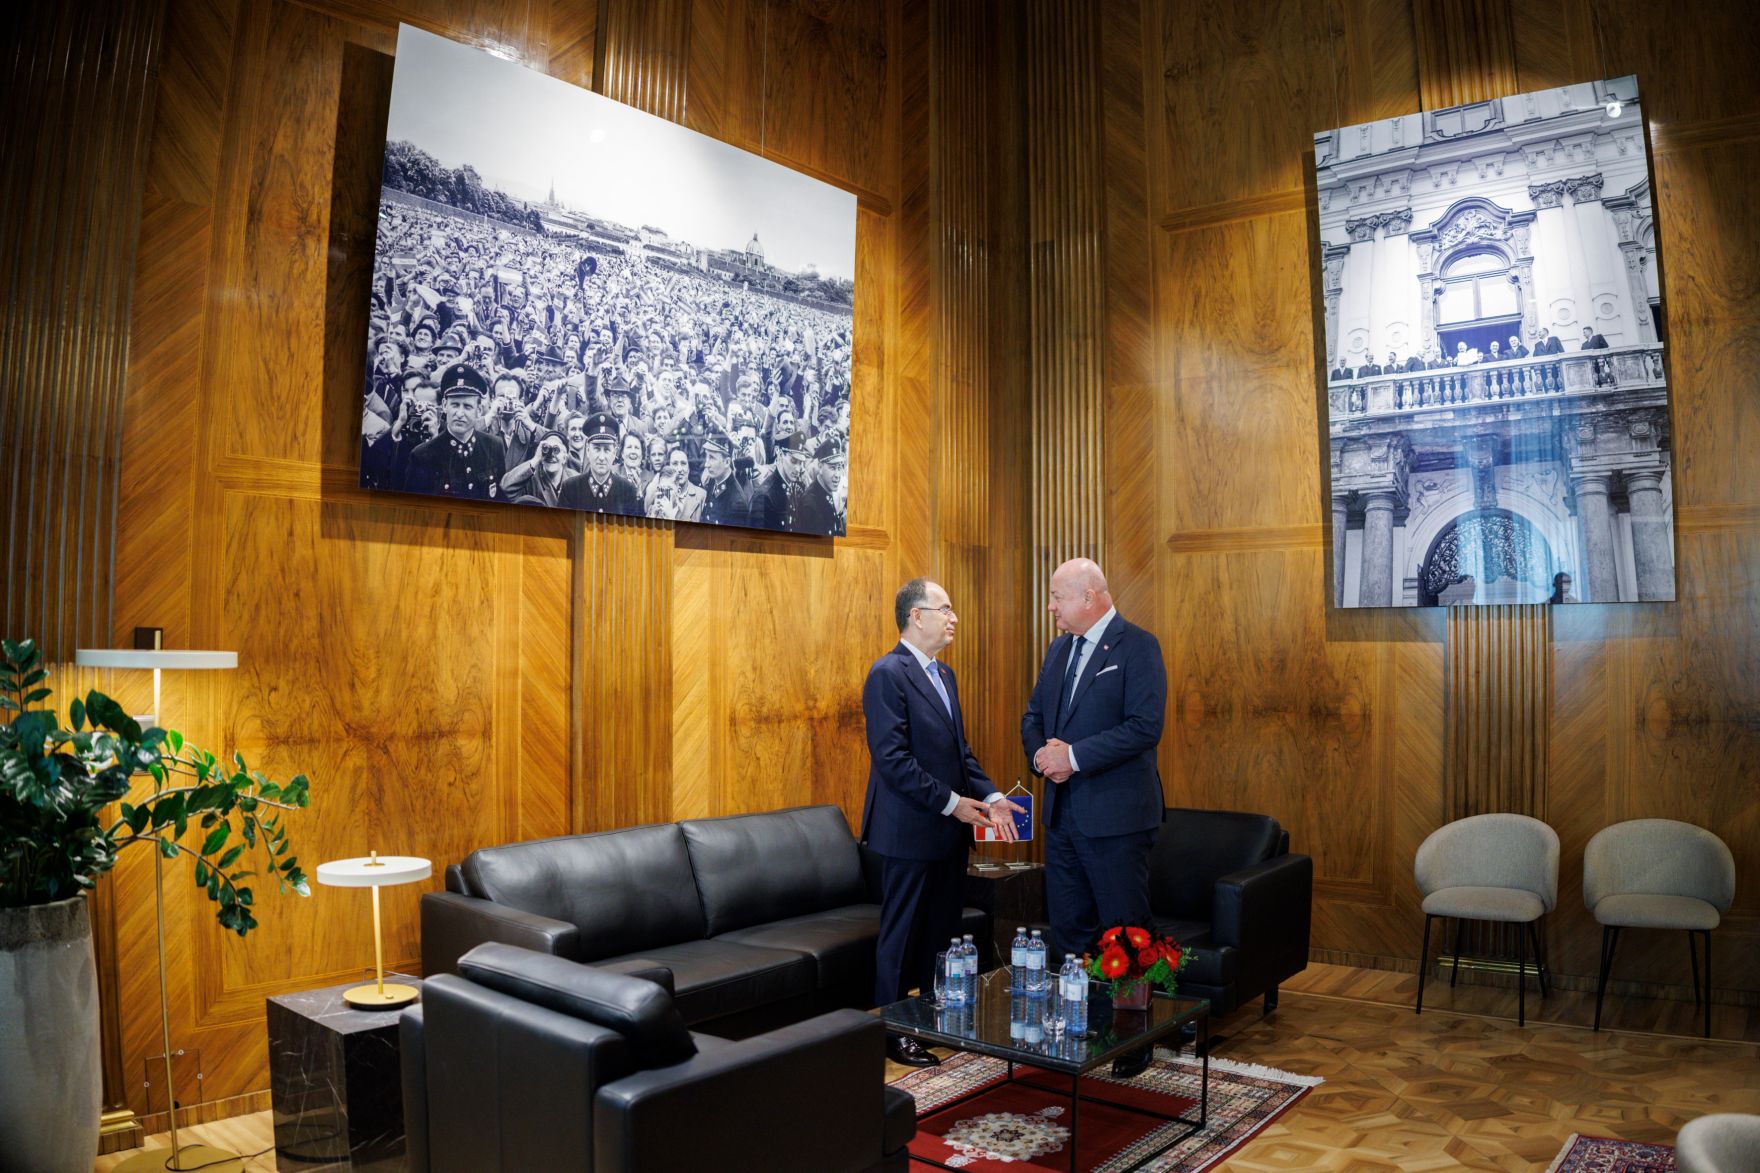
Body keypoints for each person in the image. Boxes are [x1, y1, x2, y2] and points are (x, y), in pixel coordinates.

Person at [862, 578, 1023, 1067]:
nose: (954, 618)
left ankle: (933, 1019)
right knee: (903, 935)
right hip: (908, 830)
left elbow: (960, 754)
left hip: (948, 833)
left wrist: (992, 796)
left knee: (940, 933)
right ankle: (891, 1031)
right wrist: (954, 802)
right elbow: (893, 761)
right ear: (916, 616)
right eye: (945, 608)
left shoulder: (945, 675)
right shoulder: (887, 674)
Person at [1021, 558, 1165, 1075]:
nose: (1052, 607)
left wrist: (1072, 756)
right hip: (1063, 818)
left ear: (1090, 596)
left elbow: (1145, 727)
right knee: (1070, 932)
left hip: (1118, 820)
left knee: (1126, 932)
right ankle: (1083, 1029)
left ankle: (1133, 1040)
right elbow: (1034, 715)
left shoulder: (1137, 646)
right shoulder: (1059, 649)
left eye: (1058, 597)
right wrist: (1041, 755)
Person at [404, 364, 505, 499]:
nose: (459, 413)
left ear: (479, 410)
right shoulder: (422, 455)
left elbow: (499, 498)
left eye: (467, 406)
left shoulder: (494, 446)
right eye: (455, 405)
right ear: (445, 406)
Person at [558, 411, 641, 514]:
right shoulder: (570, 489)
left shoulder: (627, 490)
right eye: (597, 449)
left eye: (607, 450)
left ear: (614, 452)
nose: (601, 457)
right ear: (588, 450)